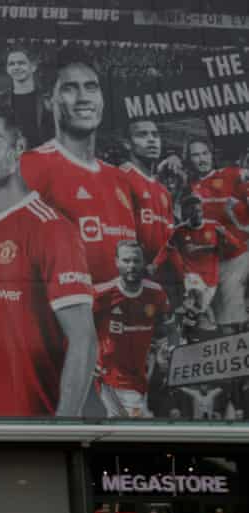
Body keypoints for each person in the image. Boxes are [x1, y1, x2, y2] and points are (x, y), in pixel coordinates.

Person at [0, 101, 96, 417]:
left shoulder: (50, 228)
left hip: (33, 430)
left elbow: (84, 341)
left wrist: (61, 432)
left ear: (18, 147)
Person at [20, 50, 138, 285]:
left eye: (92, 87)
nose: (84, 97)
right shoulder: (30, 167)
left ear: (103, 99)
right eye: (70, 88)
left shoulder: (120, 179)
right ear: (47, 100)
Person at [93, 241, 172, 418]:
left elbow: (162, 327)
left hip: (140, 376)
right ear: (116, 262)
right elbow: (79, 328)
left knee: (121, 427)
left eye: (136, 261)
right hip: (112, 377)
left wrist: (163, 351)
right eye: (126, 260)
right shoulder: (101, 294)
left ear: (143, 262)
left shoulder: (156, 293)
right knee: (139, 422)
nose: (131, 266)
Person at [151, 195, 242, 336]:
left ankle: (186, 326)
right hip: (191, 276)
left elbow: (236, 246)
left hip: (211, 280)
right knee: (196, 295)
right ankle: (185, 316)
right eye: (193, 211)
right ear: (187, 213)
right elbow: (167, 248)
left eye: (199, 211)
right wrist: (155, 264)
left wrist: (226, 236)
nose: (197, 214)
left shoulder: (214, 226)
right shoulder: (179, 231)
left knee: (200, 311)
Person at [187, 138, 249, 335]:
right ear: (189, 159)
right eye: (195, 155)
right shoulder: (189, 188)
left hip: (241, 254)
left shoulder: (231, 174)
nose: (201, 159)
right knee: (225, 325)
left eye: (205, 153)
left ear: (212, 154)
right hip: (215, 261)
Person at [119, 120, 175, 264]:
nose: (152, 140)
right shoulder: (119, 178)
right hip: (135, 273)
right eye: (142, 135)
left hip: (162, 274)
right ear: (127, 143)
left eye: (155, 135)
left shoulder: (163, 190)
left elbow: (169, 240)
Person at [0, 47, 52, 148]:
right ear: (7, 69)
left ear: (33, 67)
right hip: (11, 159)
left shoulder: (49, 99)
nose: (16, 67)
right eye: (11, 64)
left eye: (21, 63)